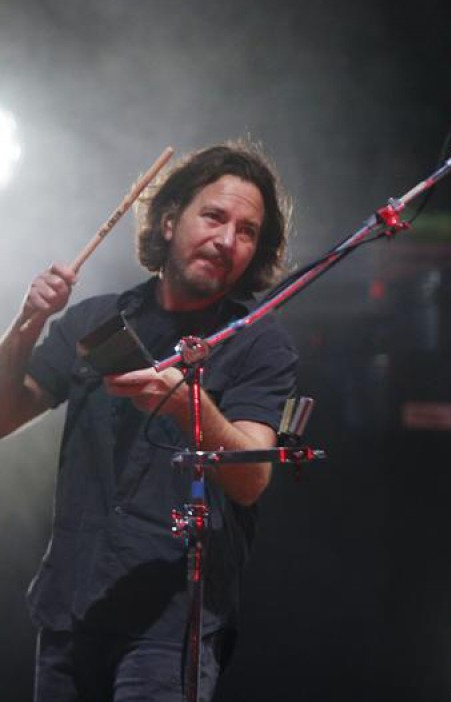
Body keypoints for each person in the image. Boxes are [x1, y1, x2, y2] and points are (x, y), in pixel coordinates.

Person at [0, 143, 299, 701]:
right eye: (213, 216)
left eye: (247, 231)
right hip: (72, 610)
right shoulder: (96, 320)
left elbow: (252, 478)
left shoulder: (259, 341)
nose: (227, 240)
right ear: (168, 221)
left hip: (170, 627)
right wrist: (25, 324)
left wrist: (191, 404)